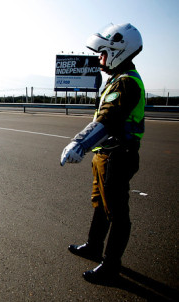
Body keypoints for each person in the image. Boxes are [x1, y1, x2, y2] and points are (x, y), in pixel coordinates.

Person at [60, 23, 145, 283]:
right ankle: (94, 246)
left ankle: (111, 267)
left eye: (103, 52)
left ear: (119, 51)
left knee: (117, 214)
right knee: (100, 204)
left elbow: (109, 119)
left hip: (119, 156)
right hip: (105, 155)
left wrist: (80, 143)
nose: (99, 57)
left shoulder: (127, 84)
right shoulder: (115, 81)